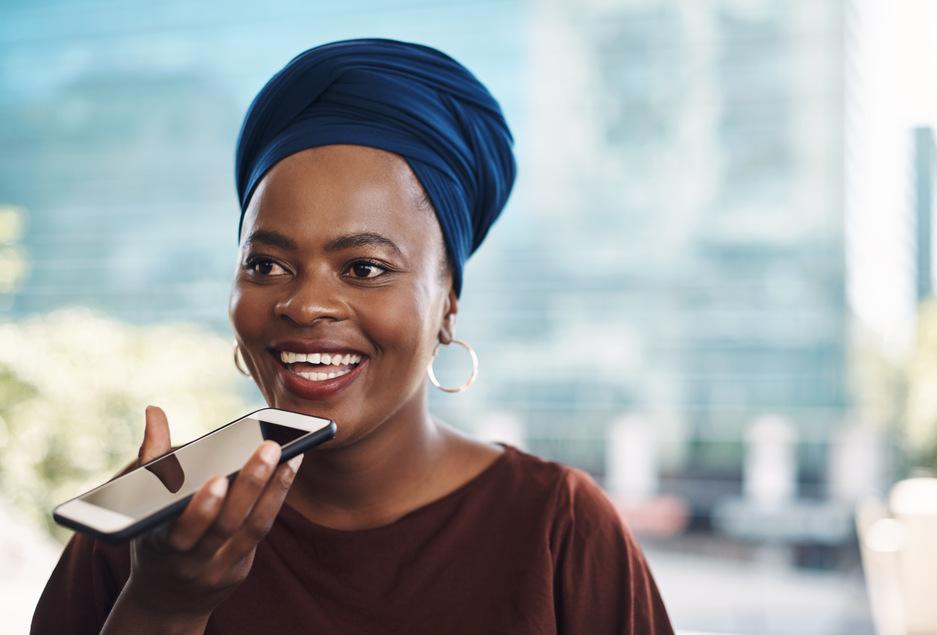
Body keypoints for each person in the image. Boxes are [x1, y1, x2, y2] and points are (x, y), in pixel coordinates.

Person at [31, 37, 674, 634]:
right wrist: (163, 605)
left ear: (448, 302)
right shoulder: (158, 532)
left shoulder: (560, 532)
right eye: (266, 265)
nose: (305, 304)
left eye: (364, 267)